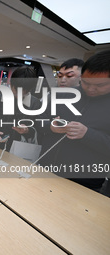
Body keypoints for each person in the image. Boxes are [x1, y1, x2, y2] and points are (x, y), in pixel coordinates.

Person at [39, 50, 110, 192]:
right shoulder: (63, 95)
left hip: (83, 183)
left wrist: (88, 134)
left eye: (100, 85)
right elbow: (38, 122)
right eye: (85, 82)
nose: (91, 89)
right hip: (45, 171)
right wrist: (51, 126)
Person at [0, 66, 42, 151]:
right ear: (11, 84)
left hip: (20, 150)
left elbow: (39, 129)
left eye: (24, 92)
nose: (19, 95)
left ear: (30, 89)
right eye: (16, 92)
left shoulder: (35, 104)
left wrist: (27, 131)